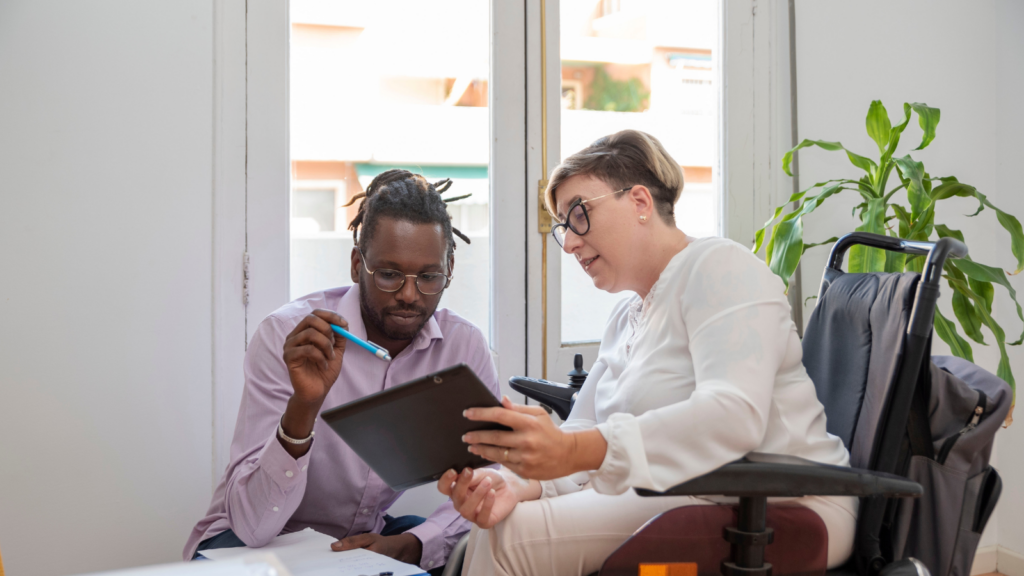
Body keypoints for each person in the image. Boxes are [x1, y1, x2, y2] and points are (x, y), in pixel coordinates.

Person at [438, 130, 857, 576]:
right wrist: (512, 483)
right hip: (679, 490)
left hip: (781, 503)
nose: (571, 241)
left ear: (639, 202)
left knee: (510, 539)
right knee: (499, 521)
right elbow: (582, 428)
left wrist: (576, 450)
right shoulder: (627, 317)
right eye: (563, 227)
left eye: (578, 214)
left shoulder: (721, 268)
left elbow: (733, 416)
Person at [184, 170, 499, 574]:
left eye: (428, 276)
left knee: (462, 546)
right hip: (247, 542)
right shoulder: (289, 337)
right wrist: (304, 406)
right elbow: (253, 524)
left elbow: (493, 475)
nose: (408, 294)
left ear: (449, 270)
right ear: (357, 265)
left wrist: (413, 544)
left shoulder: (463, 347)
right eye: (388, 274)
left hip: (359, 541)